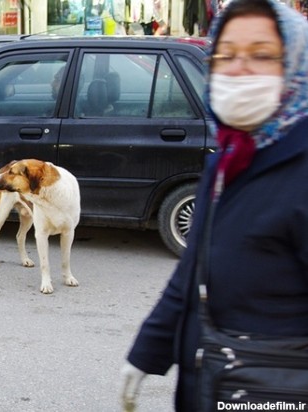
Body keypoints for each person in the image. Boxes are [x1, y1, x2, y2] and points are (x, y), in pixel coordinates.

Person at [120, 1, 308, 410]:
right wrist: (146, 354)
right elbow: (193, 272)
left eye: (261, 54)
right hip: (213, 385)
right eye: (225, 55)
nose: (239, 68)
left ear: (294, 65)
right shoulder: (230, 159)